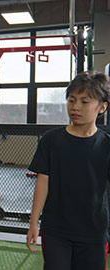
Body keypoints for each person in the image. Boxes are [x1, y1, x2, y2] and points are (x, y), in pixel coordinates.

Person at [26, 70, 110, 269]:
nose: (75, 107)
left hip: (94, 232)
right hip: (57, 230)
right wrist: (33, 222)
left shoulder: (106, 145)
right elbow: (42, 182)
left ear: (102, 108)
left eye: (84, 101)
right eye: (71, 100)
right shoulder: (51, 140)